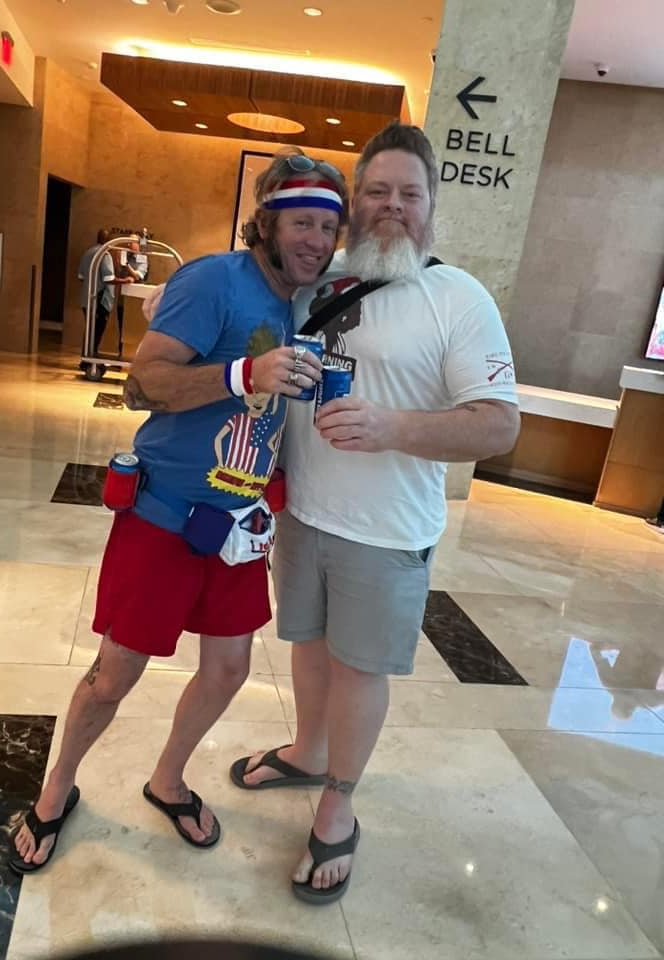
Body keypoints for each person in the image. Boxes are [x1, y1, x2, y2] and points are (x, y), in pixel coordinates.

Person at [9, 151, 348, 873]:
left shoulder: (304, 304)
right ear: (267, 223)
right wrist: (243, 373)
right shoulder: (213, 280)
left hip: (239, 527)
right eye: (302, 223)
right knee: (114, 674)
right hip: (163, 519)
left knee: (227, 671)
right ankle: (57, 788)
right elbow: (141, 383)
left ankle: (168, 780)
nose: (316, 239)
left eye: (328, 226)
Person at [230, 121, 521, 905]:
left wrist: (392, 427)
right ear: (353, 203)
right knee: (307, 645)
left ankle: (340, 803)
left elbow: (498, 424)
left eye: (410, 194)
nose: (393, 206)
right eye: (378, 192)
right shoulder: (318, 279)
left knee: (359, 667)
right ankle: (307, 750)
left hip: (387, 531)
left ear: (431, 207)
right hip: (304, 513)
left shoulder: (459, 298)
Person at [77, 228, 134, 361]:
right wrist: (126, 280)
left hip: (86, 299)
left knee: (90, 330)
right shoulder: (104, 254)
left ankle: (86, 357)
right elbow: (108, 278)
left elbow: (81, 277)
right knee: (97, 331)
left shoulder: (88, 253)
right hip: (100, 300)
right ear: (108, 240)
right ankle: (90, 359)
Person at [115, 234, 149, 356]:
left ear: (138, 244)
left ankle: (134, 356)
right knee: (122, 327)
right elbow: (118, 274)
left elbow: (138, 276)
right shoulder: (125, 255)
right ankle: (121, 354)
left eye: (132, 242)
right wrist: (118, 262)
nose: (129, 244)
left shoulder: (142, 257)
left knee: (134, 329)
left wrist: (126, 266)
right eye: (128, 242)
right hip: (123, 299)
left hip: (136, 301)